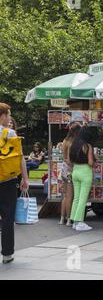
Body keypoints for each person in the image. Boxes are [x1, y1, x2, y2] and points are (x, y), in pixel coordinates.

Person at [0, 103, 29, 264]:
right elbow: (20, 158)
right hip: (7, 181)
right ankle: (7, 253)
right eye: (9, 114)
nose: (10, 118)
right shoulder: (10, 133)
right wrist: (25, 178)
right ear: (3, 115)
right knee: (7, 217)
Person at [69, 127, 95, 232]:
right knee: (83, 199)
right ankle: (80, 222)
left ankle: (74, 221)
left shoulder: (73, 145)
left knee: (76, 198)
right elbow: (90, 162)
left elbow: (70, 161)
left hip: (75, 171)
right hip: (85, 172)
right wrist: (94, 159)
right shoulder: (88, 146)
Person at [58, 122, 81, 226]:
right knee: (70, 197)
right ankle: (69, 219)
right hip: (70, 170)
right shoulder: (73, 142)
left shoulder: (65, 141)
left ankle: (62, 218)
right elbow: (70, 160)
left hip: (63, 170)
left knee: (65, 196)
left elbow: (64, 157)